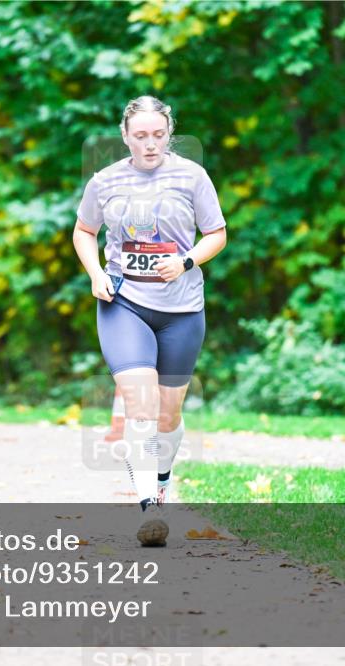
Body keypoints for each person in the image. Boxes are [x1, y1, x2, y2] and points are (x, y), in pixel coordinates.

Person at [73, 95, 227, 542]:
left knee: (167, 413)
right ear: (125, 137)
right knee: (139, 402)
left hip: (182, 309)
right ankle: (147, 506)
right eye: (140, 136)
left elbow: (216, 233)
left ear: (169, 134)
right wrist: (96, 273)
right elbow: (85, 232)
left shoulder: (192, 176)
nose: (150, 144)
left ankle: (161, 479)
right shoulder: (105, 181)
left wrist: (186, 262)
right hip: (124, 303)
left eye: (158, 135)